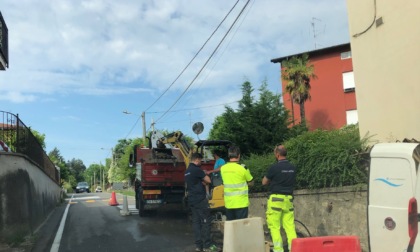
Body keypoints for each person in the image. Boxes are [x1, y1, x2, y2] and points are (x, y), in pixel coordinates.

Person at [262, 145, 297, 252]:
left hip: (276, 200)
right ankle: (294, 249)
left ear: (277, 154)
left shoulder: (274, 167)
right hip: (288, 200)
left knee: (275, 227)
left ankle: (278, 250)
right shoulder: (293, 167)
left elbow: (264, 182)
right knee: (290, 227)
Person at [185, 153, 219, 252]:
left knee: (196, 223)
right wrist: (204, 178)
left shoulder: (187, 171)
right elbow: (208, 180)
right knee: (206, 222)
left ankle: (198, 246)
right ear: (197, 159)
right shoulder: (197, 170)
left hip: (192, 200)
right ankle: (207, 246)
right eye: (200, 160)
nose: (201, 162)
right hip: (200, 200)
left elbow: (193, 183)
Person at [220, 146, 254, 221]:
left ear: (229, 156)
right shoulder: (243, 167)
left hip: (229, 203)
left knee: (232, 227)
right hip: (241, 203)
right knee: (241, 226)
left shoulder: (223, 168)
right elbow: (251, 182)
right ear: (239, 155)